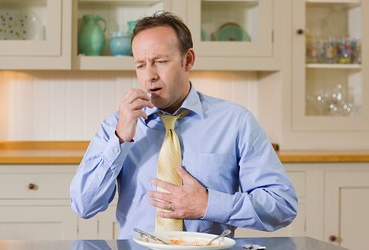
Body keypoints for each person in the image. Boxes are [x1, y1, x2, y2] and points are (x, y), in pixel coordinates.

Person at [70, 11, 298, 239]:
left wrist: (209, 204)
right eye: (140, 65)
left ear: (187, 60)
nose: (149, 76)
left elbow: (282, 205)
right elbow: (84, 206)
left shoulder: (236, 122)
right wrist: (120, 140)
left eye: (160, 62)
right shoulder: (117, 126)